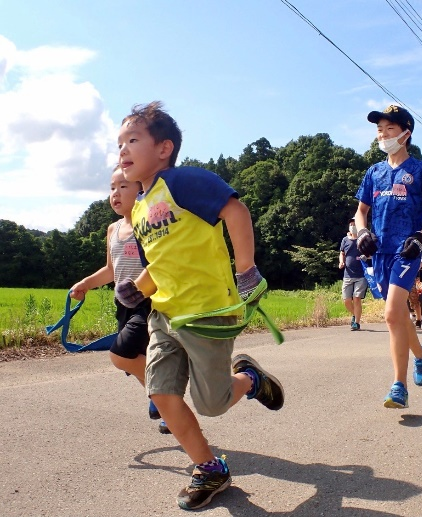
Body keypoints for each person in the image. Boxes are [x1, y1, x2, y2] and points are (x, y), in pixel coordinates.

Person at [113, 101, 284, 511]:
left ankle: (249, 378)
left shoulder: (182, 182)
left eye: (132, 140)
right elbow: (162, 262)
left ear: (164, 148)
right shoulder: (140, 207)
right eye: (119, 144)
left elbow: (235, 211)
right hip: (164, 315)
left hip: (208, 313)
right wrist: (138, 288)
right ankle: (209, 468)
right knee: (161, 391)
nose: (122, 150)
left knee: (212, 403)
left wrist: (246, 271)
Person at [354, 104, 422, 409]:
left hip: (406, 250)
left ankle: (399, 387)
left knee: (392, 314)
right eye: (379, 130)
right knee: (399, 316)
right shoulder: (374, 172)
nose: (382, 135)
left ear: (405, 134)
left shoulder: (421, 171)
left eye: (389, 129)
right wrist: (362, 232)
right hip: (379, 252)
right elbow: (361, 211)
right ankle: (421, 355)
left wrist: (421, 236)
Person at [69, 166, 169, 434]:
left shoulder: (149, 223)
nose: (115, 193)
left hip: (148, 302)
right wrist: (85, 284)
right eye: (112, 187)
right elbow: (110, 270)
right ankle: (165, 404)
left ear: (141, 189)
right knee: (136, 358)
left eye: (123, 186)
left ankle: (164, 396)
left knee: (123, 353)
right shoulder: (112, 229)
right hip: (122, 306)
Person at [339, 217, 368, 330]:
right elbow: (342, 253)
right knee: (346, 301)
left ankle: (356, 323)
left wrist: (366, 256)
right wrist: (341, 262)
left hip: (361, 275)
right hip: (348, 274)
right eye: (351, 224)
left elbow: (371, 253)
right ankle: (355, 314)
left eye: (354, 224)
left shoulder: (363, 239)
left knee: (357, 299)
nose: (352, 226)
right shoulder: (345, 240)